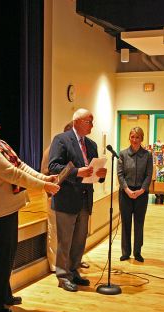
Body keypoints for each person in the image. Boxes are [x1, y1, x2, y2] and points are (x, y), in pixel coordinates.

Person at [0, 130, 59, 312]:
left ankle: (4, 294)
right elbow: (14, 174)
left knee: (7, 256)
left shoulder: (1, 145)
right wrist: (44, 185)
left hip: (10, 208)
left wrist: (44, 178)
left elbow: (21, 165)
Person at [48, 108, 107, 292]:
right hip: (67, 199)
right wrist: (76, 172)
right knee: (65, 241)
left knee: (80, 240)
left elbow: (93, 172)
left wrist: (101, 174)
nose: (92, 125)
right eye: (89, 121)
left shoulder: (91, 144)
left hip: (85, 199)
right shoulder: (61, 139)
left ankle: (73, 271)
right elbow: (53, 166)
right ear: (77, 122)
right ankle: (62, 276)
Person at [41, 121, 90, 271]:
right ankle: (55, 265)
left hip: (74, 197)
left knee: (73, 236)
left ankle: (70, 263)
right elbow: (44, 172)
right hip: (55, 194)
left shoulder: (81, 149)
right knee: (56, 233)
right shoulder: (52, 149)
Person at [117, 126, 153, 262]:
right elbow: (120, 174)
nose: (135, 140)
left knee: (139, 223)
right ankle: (125, 252)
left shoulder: (148, 155)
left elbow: (149, 175)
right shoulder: (123, 154)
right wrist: (127, 190)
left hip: (141, 194)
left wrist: (141, 190)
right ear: (129, 138)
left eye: (137, 137)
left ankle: (137, 252)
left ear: (142, 138)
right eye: (132, 137)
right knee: (126, 222)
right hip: (126, 193)